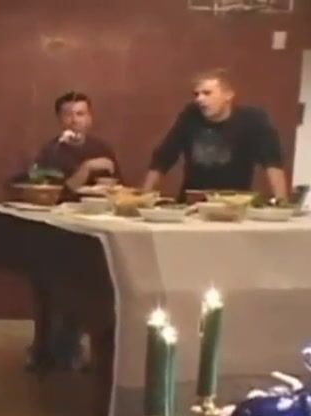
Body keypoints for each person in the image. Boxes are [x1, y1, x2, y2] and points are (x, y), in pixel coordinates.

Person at [23, 91, 119, 373]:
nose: (75, 120)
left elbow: (117, 187)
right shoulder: (52, 151)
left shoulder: (102, 147)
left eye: (81, 114)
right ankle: (49, 351)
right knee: (55, 292)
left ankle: (89, 351)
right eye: (68, 114)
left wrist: (109, 188)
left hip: (96, 229)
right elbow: (53, 192)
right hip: (60, 231)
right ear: (59, 119)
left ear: (90, 118)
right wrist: (86, 168)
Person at [142, 68, 288, 200]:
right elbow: (164, 156)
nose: (199, 99)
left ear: (228, 95)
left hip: (234, 202)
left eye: (207, 93)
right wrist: (144, 196)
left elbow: (272, 160)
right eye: (196, 94)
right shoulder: (190, 116)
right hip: (193, 202)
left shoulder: (252, 119)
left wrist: (281, 201)